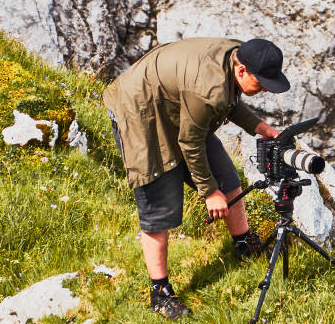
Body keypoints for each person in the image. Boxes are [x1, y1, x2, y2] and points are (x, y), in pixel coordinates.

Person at [102, 37, 290, 319]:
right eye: (262, 82)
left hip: (178, 104)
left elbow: (229, 102)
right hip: (140, 111)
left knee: (227, 178)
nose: (265, 88)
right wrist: (209, 192)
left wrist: (260, 127)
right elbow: (190, 142)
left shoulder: (240, 55)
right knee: (159, 199)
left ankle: (242, 244)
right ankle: (160, 292)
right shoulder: (209, 89)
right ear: (241, 71)